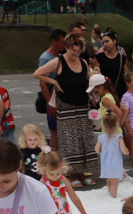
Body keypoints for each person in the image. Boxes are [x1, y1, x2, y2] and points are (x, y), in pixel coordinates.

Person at [34, 33, 100, 186]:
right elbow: (37, 74)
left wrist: (93, 93)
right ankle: (72, 175)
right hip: (66, 106)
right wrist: (53, 82)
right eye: (73, 51)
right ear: (67, 47)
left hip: (83, 105)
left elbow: (87, 81)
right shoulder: (59, 61)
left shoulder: (83, 62)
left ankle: (83, 173)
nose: (75, 54)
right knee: (69, 141)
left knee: (85, 139)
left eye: (78, 51)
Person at [38, 150, 94, 214]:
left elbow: (74, 197)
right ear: (44, 170)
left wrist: (83, 212)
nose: (56, 176)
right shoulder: (43, 183)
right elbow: (38, 203)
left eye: (59, 173)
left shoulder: (63, 180)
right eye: (52, 174)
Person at [37, 29, 66, 151]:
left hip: (62, 100)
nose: (64, 45)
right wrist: (50, 104)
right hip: (53, 101)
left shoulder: (60, 57)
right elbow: (43, 83)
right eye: (62, 42)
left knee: (63, 132)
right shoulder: (45, 58)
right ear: (53, 41)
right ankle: (53, 161)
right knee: (54, 132)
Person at [96, 111, 128, 198]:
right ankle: (113, 196)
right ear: (116, 124)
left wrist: (100, 152)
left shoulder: (101, 137)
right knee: (115, 181)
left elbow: (97, 149)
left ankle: (109, 192)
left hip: (105, 163)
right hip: (115, 163)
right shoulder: (118, 137)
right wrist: (127, 151)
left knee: (109, 180)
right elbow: (123, 150)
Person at [95, 29, 128, 96]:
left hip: (119, 90)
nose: (105, 44)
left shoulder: (122, 58)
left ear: (114, 41)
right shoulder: (99, 57)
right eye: (103, 42)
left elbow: (126, 75)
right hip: (105, 91)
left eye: (107, 41)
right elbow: (95, 75)